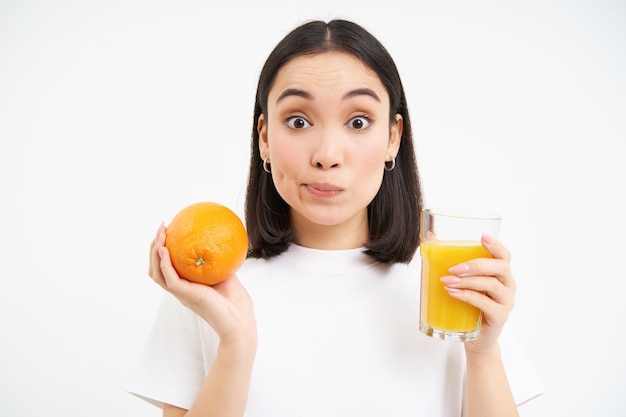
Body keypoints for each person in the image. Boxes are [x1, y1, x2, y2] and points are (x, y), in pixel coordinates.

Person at [128, 19, 542, 417]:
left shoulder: (447, 285)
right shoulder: (212, 288)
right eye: (298, 121)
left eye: (358, 122)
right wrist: (236, 343)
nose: (327, 154)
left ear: (392, 138)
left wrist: (483, 351)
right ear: (265, 138)